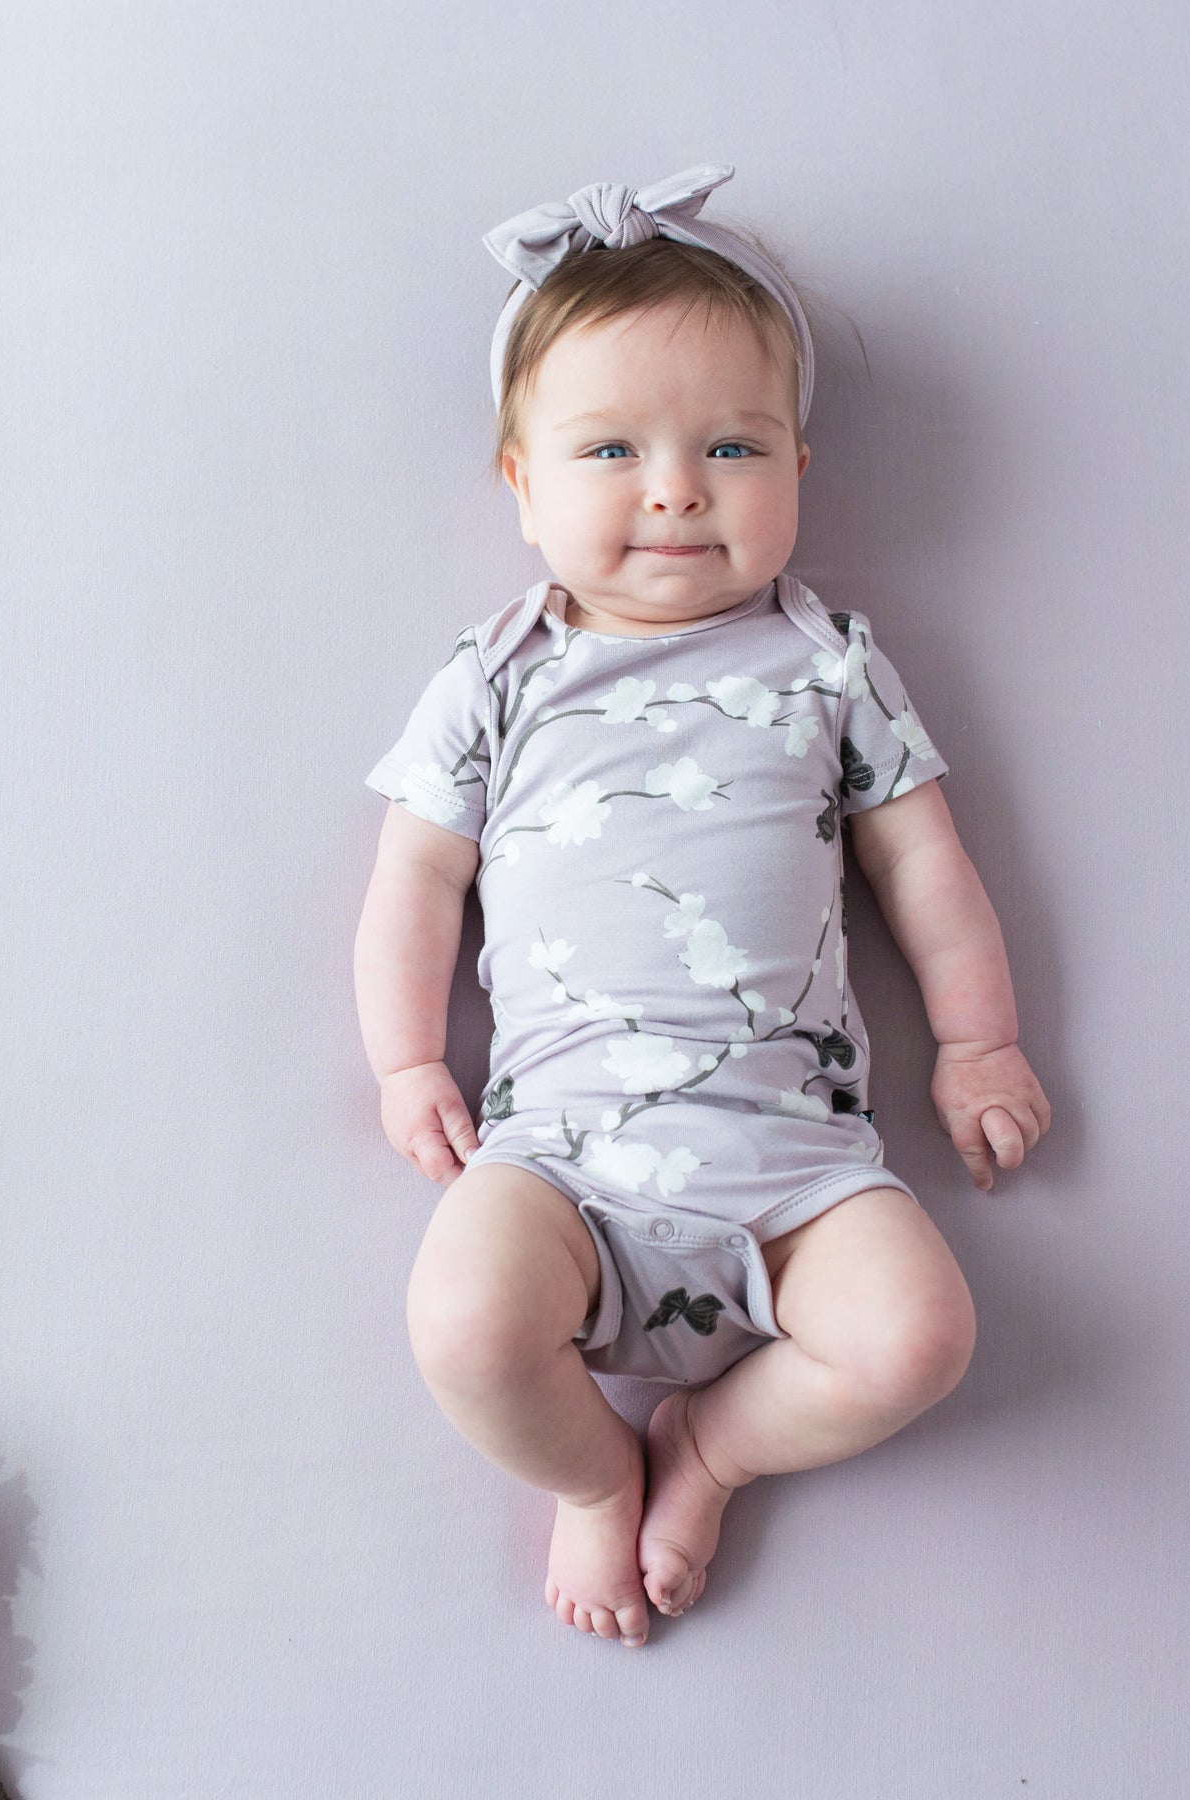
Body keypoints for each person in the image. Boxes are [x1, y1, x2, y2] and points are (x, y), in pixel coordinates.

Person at [354, 165, 1049, 1650]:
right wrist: (410, 1059)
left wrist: (979, 1044)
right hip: (562, 1160)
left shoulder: (831, 666)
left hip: (796, 1170)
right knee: (466, 1328)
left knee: (920, 1336)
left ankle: (714, 1444)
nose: (675, 486)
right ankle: (599, 1478)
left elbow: (925, 866)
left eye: (731, 446)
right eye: (611, 449)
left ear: (799, 462)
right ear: (522, 483)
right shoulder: (496, 678)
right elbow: (415, 876)